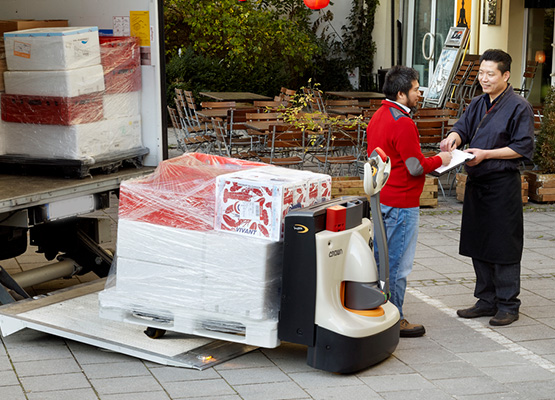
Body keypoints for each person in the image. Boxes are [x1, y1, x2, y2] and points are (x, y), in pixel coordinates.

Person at [440, 49, 535, 326]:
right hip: (477, 183)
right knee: (477, 240)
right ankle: (486, 299)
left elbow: (523, 147)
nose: (484, 78)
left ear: (506, 75)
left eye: (490, 74)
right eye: (481, 73)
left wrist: (487, 153)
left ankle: (508, 303)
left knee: (503, 243)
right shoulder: (478, 102)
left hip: (502, 183)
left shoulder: (519, 106)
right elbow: (463, 127)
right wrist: (453, 138)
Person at [367, 65, 452, 337]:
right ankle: (396, 317)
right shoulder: (402, 122)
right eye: (416, 88)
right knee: (399, 265)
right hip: (402, 202)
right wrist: (442, 160)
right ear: (402, 93)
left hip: (382, 196)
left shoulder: (379, 115)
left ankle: (378, 310)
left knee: (381, 261)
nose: (420, 93)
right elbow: (415, 166)